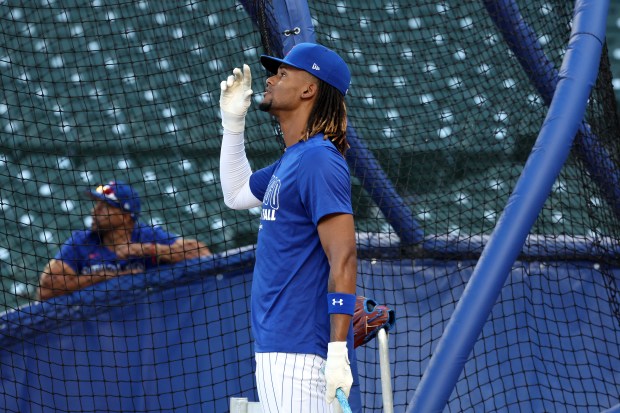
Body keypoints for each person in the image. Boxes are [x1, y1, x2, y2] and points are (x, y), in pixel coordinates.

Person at [219, 42, 359, 412]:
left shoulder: (318, 159)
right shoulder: (296, 157)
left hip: (297, 354)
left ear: (308, 89)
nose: (270, 80)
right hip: (282, 349)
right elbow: (235, 193)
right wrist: (233, 124)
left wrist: (338, 352)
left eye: (282, 74)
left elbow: (343, 256)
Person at [37, 180, 211, 301]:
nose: (95, 211)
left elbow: (202, 253)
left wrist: (147, 250)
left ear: (126, 216)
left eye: (105, 206)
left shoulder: (147, 236)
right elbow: (46, 290)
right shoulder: (81, 241)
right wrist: (106, 277)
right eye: (96, 205)